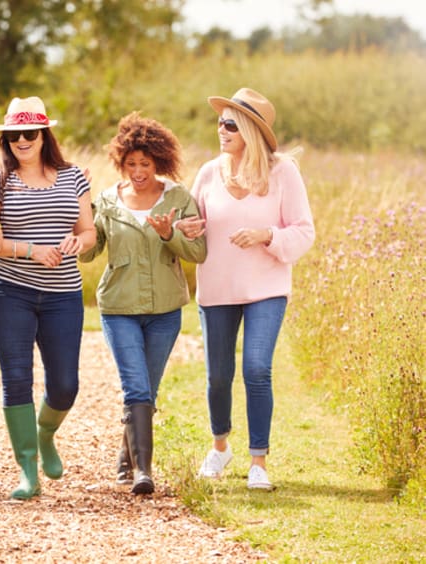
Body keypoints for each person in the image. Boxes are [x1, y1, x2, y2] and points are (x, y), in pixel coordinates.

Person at [188, 87, 315, 490]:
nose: (220, 129)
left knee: (257, 369)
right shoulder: (209, 172)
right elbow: (194, 230)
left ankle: (258, 461)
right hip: (217, 290)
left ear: (249, 131)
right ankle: (220, 446)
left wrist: (267, 235)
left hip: (266, 289)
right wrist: (182, 230)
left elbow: (304, 232)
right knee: (218, 376)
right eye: (220, 122)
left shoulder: (282, 173)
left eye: (230, 124)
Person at [0, 96, 96, 500]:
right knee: (17, 379)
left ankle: (45, 435)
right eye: (14, 134)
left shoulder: (74, 177)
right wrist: (29, 250)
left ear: (45, 135)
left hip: (63, 294)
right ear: (6, 139)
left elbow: (89, 232)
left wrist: (78, 241)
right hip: (9, 292)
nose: (22, 140)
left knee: (65, 385)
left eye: (30, 132)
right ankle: (28, 471)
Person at [79, 112, 206, 494]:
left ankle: (126, 456)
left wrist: (169, 235)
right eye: (131, 163)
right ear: (121, 162)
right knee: (135, 388)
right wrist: (79, 207)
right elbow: (89, 254)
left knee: (147, 389)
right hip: (119, 309)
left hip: (166, 311)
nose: (138, 171)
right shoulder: (106, 200)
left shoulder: (179, 199)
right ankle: (143, 472)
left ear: (159, 162)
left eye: (145, 164)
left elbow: (197, 252)